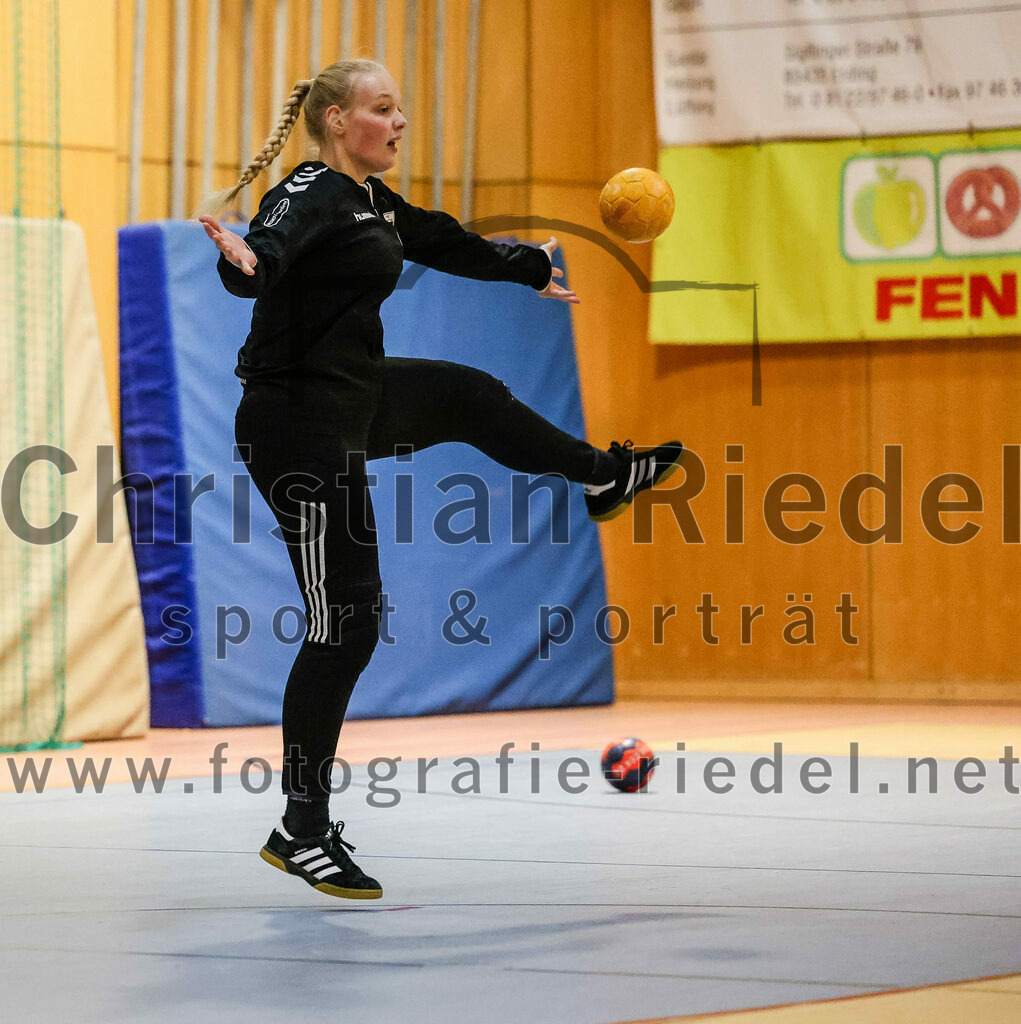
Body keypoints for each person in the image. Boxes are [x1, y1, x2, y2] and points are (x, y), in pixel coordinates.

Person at [198, 59, 682, 901]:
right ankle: (300, 830)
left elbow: (437, 237)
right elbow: (261, 255)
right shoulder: (309, 188)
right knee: (344, 624)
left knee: (465, 394)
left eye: (399, 108)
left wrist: (525, 265)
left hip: (351, 399)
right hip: (297, 428)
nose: (399, 121)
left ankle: (603, 478)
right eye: (383, 109)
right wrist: (241, 264)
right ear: (338, 118)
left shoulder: (372, 201)